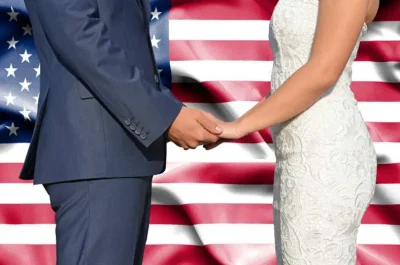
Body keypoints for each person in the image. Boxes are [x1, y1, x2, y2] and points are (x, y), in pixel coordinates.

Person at [19, 0, 222, 265]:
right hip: (96, 152)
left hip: (113, 152)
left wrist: (167, 112)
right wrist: (164, 116)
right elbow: (78, 34)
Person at [205, 0, 379, 264]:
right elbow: (289, 79)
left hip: (325, 155)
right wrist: (234, 127)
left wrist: (238, 128)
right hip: (298, 156)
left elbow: (323, 72)